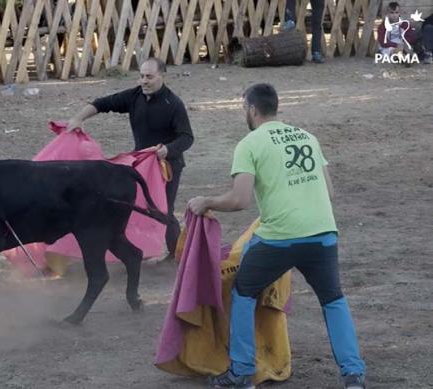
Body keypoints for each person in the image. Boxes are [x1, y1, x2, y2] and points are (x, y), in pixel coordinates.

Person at [187, 83, 366, 389]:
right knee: (333, 299)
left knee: (243, 292)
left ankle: (242, 372)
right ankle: (353, 375)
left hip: (279, 238)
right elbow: (329, 192)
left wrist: (206, 202)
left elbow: (239, 200)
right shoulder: (307, 137)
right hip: (323, 233)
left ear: (252, 109)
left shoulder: (250, 143)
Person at [67, 57, 194, 260]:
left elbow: (187, 137)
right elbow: (103, 104)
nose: (144, 81)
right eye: (142, 76)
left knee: (164, 211)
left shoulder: (173, 104)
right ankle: (138, 248)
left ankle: (177, 254)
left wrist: (168, 150)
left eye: (149, 77)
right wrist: (78, 118)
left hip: (167, 166)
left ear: (162, 76)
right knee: (134, 207)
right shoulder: (135, 96)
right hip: (141, 164)